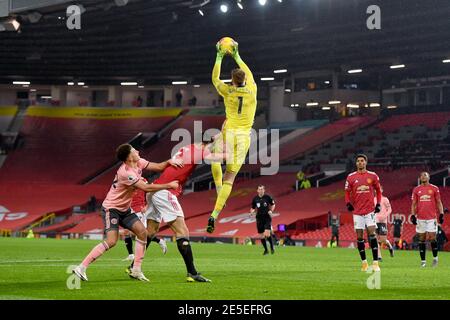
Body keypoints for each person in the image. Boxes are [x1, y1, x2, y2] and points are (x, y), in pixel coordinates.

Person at [72, 144, 181, 282]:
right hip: (112, 209)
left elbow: (158, 166)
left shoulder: (139, 162)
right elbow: (146, 187)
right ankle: (81, 267)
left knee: (142, 233)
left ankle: (136, 270)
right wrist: (169, 185)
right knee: (112, 241)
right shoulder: (126, 173)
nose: (138, 151)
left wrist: (169, 162)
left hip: (125, 209)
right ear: (129, 156)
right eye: (134, 150)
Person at [134, 139, 227, 282]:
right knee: (182, 232)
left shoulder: (187, 147)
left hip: (155, 190)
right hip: (165, 191)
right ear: (209, 143)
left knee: (151, 231)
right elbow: (212, 158)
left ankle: (134, 266)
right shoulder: (201, 149)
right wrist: (234, 155)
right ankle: (192, 273)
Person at [207, 39, 258, 233]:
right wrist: (237, 55)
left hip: (229, 133)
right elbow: (249, 73)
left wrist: (219, 56)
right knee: (231, 176)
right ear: (244, 79)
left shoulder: (228, 91)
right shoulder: (252, 90)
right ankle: (214, 215)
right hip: (244, 137)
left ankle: (218, 187)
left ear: (232, 80)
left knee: (213, 155)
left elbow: (214, 79)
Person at [345, 154, 383, 272]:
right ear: (356, 163)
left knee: (372, 234)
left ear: (366, 162)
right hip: (357, 211)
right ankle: (364, 263)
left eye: (362, 161)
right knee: (360, 237)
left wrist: (378, 204)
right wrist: (348, 203)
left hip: (370, 210)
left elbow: (378, 190)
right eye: (358, 161)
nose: (360, 163)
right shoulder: (351, 177)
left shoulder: (373, 176)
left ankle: (376, 263)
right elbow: (347, 192)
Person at [122, 177, 167, 263]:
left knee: (139, 232)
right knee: (127, 232)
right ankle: (131, 255)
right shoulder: (127, 178)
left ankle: (159, 240)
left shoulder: (143, 181)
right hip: (129, 209)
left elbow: (149, 192)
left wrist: (146, 206)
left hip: (139, 209)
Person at [411, 171, 445, 267]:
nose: (423, 176)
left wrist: (441, 213)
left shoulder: (434, 188)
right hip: (420, 218)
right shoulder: (416, 189)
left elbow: (439, 202)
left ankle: (435, 259)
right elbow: (414, 203)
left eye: (425, 175)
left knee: (432, 238)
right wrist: (413, 215)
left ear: (429, 177)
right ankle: (423, 262)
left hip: (431, 218)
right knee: (421, 239)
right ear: (420, 178)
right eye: (421, 175)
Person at [249, 185, 276, 255]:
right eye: (259, 189)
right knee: (261, 236)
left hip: (267, 217)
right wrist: (251, 211)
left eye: (262, 189)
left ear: (264, 190)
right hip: (259, 218)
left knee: (267, 234)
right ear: (257, 190)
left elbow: (273, 204)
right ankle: (266, 250)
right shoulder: (255, 199)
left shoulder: (267, 197)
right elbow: (253, 208)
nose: (261, 190)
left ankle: (272, 247)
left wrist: (271, 211)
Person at [374, 186, 394, 261]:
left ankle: (389, 246)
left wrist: (384, 216)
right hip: (375, 221)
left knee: (383, 240)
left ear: (382, 190)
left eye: (379, 189)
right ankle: (379, 257)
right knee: (375, 239)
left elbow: (390, 209)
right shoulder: (373, 199)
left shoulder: (385, 199)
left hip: (383, 222)